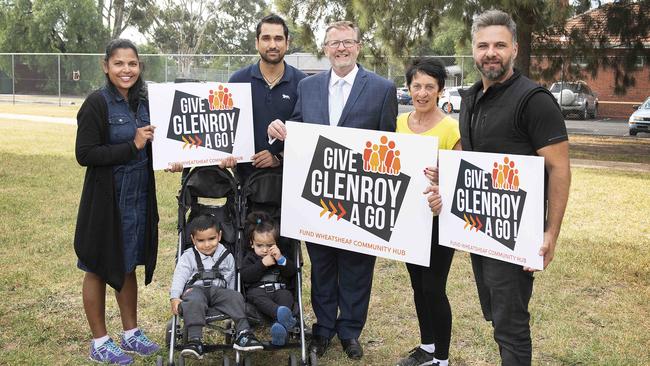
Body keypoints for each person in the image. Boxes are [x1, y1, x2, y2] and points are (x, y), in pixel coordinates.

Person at [429, 10, 571, 365]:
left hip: (516, 235)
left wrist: (550, 233)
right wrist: (443, 181)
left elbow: (559, 169)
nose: (490, 53)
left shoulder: (534, 100)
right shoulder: (472, 98)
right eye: (483, 45)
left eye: (499, 45)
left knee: (511, 327)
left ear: (515, 49)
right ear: (474, 50)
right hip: (478, 230)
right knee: (496, 318)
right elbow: (474, 167)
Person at [268, 20, 398, 360]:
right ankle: (323, 328)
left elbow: (390, 143)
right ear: (325, 49)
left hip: (360, 196)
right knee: (322, 264)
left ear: (358, 46)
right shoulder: (309, 87)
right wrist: (282, 131)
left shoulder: (382, 88)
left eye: (347, 42)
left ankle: (350, 330)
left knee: (357, 265)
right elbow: (298, 128)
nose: (341, 48)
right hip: (318, 194)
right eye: (334, 43)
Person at [75, 38, 160, 365]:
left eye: (133, 64)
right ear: (106, 66)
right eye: (119, 63)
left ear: (139, 67)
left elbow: (159, 144)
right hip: (106, 200)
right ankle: (100, 341)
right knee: (97, 265)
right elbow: (85, 154)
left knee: (128, 265)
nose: (127, 70)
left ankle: (131, 333)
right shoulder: (97, 103)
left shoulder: (144, 103)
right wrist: (133, 145)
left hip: (138, 197)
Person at [394, 58, 460, 366]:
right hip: (409, 219)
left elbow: (461, 180)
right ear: (408, 88)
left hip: (439, 222)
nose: (422, 93)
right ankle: (427, 347)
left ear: (440, 91)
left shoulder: (450, 129)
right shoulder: (398, 124)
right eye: (416, 86)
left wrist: (442, 185)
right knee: (418, 285)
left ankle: (442, 360)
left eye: (429, 87)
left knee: (434, 287)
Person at [169, 214, 264, 359]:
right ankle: (195, 340)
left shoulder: (226, 256)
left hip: (219, 291)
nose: (207, 245)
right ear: (193, 239)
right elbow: (179, 276)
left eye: (211, 239)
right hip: (196, 290)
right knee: (193, 300)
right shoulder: (188, 256)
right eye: (200, 240)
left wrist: (230, 296)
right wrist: (175, 296)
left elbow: (231, 277)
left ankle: (244, 334)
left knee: (235, 296)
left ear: (219, 236)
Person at [227, 14, 307, 181]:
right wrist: (228, 154)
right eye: (266, 38)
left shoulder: (304, 83)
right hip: (245, 181)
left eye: (278, 38)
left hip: (289, 181)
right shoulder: (237, 80)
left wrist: (278, 157)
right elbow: (227, 129)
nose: (272, 45)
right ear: (257, 43)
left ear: (287, 43)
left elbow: (308, 134)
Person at [240, 211, 297, 346]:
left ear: (276, 244)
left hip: (279, 289)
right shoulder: (250, 257)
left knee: (286, 295)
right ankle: (280, 315)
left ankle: (279, 329)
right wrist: (262, 264)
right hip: (258, 291)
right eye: (260, 245)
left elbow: (291, 272)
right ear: (252, 243)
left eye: (269, 245)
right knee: (255, 295)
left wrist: (281, 260)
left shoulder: (280, 257)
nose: (265, 250)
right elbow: (246, 276)